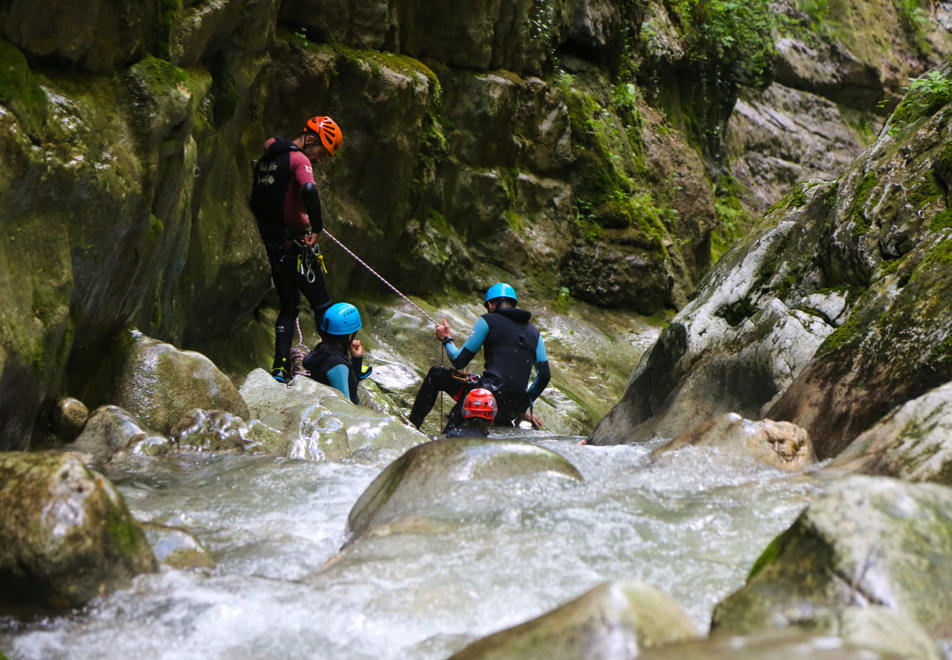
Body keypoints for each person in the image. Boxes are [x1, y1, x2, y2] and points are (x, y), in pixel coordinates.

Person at [249, 115, 343, 383]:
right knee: (323, 304)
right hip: (297, 246)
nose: (321, 159)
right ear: (310, 139)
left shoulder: (269, 159)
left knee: (289, 307)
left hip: (274, 246)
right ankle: (334, 364)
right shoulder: (299, 160)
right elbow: (309, 189)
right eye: (321, 152)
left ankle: (279, 368)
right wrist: (317, 227)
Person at [408, 282, 550, 431]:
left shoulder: (488, 320)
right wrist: (521, 406)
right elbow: (545, 375)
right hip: (510, 408)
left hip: (485, 397)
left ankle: (412, 426)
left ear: (490, 305)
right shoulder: (534, 332)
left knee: (435, 375)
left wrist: (446, 340)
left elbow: (459, 360)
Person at [302, 302, 367, 404]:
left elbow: (353, 382)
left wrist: (357, 358)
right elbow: (345, 404)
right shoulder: (338, 365)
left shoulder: (322, 349)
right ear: (350, 334)